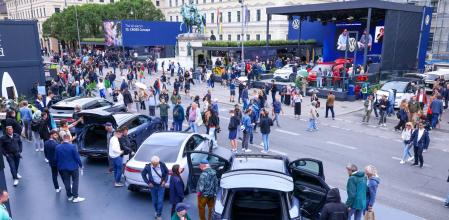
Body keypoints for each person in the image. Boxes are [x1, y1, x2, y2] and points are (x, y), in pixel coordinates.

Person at [55, 134, 85, 203]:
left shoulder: (57, 147)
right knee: (75, 181)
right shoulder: (73, 146)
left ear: (63, 139)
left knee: (66, 181)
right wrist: (81, 165)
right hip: (73, 167)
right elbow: (77, 157)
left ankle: (69, 196)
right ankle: (75, 197)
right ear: (69, 138)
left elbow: (56, 159)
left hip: (62, 168)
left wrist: (57, 169)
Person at [141, 156, 169, 220]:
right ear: (151, 162)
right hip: (153, 186)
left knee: (160, 201)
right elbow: (143, 174)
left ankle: (158, 214)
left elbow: (167, 172)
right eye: (153, 164)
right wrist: (148, 183)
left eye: (155, 164)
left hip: (161, 185)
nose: (154, 165)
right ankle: (156, 211)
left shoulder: (162, 165)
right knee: (154, 201)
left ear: (158, 162)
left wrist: (164, 181)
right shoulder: (148, 167)